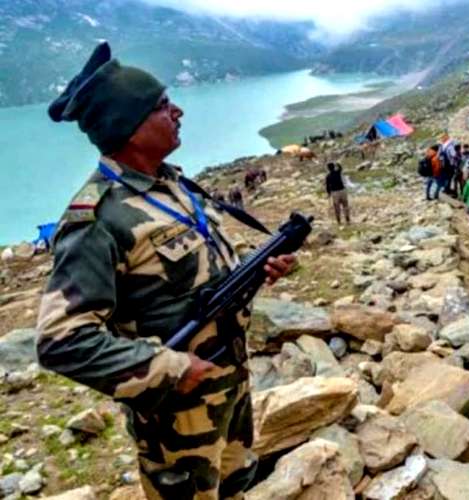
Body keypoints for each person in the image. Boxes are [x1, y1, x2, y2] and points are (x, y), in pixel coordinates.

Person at [37, 42, 294, 500]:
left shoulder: (174, 186)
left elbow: (195, 282)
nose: (177, 111)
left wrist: (256, 272)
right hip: (176, 416)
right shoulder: (98, 220)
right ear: (129, 127)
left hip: (229, 385)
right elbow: (62, 342)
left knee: (237, 484)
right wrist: (168, 367)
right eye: (160, 106)